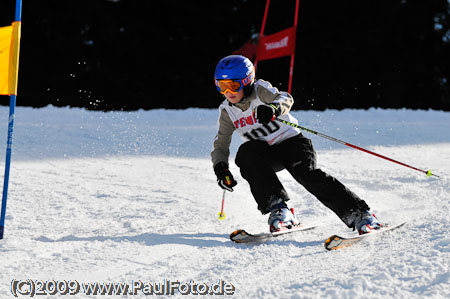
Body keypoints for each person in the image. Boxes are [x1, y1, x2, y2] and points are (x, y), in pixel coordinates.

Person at [211, 55, 382, 234]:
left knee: (306, 174)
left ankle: (361, 214)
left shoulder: (260, 90)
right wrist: (221, 167)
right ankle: (279, 210)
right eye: (222, 86)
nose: (228, 92)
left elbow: (285, 98)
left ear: (247, 82)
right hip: (267, 154)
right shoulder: (227, 111)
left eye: (233, 85)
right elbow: (220, 144)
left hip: (292, 144)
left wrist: (273, 109)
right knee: (245, 153)